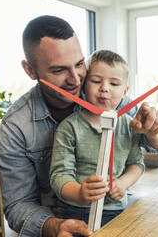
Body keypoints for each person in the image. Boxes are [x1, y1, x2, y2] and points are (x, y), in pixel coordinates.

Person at [0, 15, 158, 237]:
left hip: (116, 212)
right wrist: (55, 226)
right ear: (30, 70)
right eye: (58, 70)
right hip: (60, 222)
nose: (76, 80)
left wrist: (154, 132)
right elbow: (18, 206)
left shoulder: (105, 94)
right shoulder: (14, 128)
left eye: (79, 64)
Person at [50, 49, 144, 226]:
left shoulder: (128, 125)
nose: (104, 88)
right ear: (84, 84)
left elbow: (136, 164)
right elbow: (59, 175)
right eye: (96, 81)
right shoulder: (69, 127)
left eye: (114, 84)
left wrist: (123, 183)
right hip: (73, 210)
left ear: (125, 92)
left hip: (114, 210)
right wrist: (79, 193)